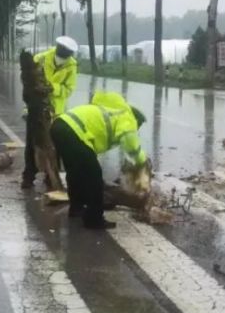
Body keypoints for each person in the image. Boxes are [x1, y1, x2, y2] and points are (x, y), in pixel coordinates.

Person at [51, 91, 147, 230]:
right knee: (94, 177)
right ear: (137, 118)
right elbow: (130, 142)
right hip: (74, 132)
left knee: (75, 172)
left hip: (59, 126)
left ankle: (76, 208)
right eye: (139, 125)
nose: (137, 128)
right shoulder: (127, 117)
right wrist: (140, 160)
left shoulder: (111, 112)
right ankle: (94, 219)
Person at [22, 36, 79, 189]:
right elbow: (28, 80)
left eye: (65, 57)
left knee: (54, 146)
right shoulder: (40, 59)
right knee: (32, 144)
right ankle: (28, 176)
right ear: (56, 50)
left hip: (55, 112)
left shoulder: (71, 67)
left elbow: (68, 90)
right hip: (36, 109)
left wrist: (52, 88)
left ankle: (51, 177)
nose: (62, 59)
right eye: (60, 55)